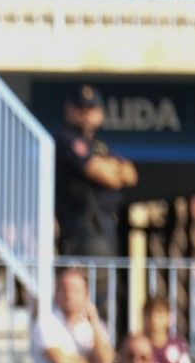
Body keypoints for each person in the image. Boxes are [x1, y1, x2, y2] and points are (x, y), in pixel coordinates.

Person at [55, 87, 137, 257]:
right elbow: (104, 176)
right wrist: (111, 169)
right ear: (69, 111)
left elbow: (130, 174)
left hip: (105, 222)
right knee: (90, 276)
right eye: (80, 109)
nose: (86, 114)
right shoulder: (67, 139)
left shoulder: (99, 145)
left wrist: (107, 165)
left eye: (91, 109)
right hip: (83, 222)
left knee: (105, 277)